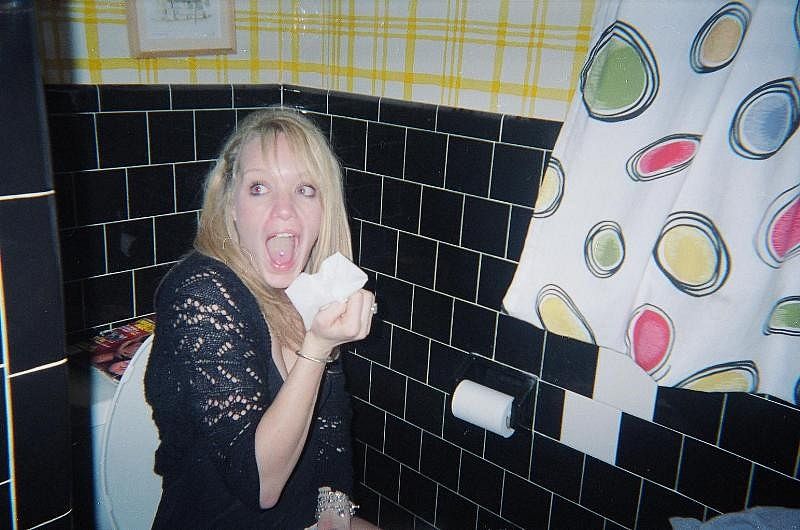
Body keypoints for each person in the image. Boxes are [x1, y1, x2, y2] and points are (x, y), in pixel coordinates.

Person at [144, 108, 378, 529]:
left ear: (324, 207)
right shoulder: (202, 291)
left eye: (305, 189)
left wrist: (334, 511)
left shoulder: (306, 291)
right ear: (230, 205)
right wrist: (317, 348)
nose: (284, 210)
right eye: (259, 188)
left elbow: (331, 423)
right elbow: (260, 486)